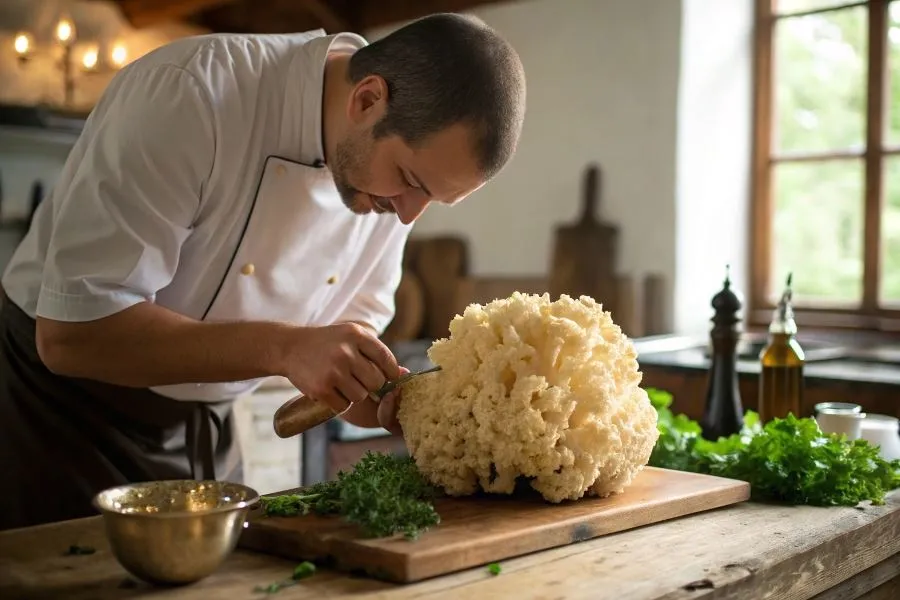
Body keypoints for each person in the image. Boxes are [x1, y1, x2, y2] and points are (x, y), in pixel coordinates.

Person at [0, 13, 526, 531]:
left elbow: (350, 327)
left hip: (208, 427)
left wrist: (372, 391)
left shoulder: (390, 184)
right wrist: (284, 348)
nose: (410, 215)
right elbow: (73, 335)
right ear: (367, 99)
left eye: (433, 198)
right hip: (57, 413)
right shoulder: (190, 94)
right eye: (410, 180)